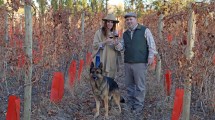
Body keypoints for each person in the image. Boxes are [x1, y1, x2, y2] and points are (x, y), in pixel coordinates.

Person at [115, 12, 157, 113]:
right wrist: (116, 43)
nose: (129, 21)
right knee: (129, 85)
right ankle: (130, 103)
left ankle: (138, 106)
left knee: (139, 85)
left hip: (140, 62)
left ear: (136, 19)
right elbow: (122, 48)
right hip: (128, 62)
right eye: (127, 20)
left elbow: (151, 44)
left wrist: (151, 56)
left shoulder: (144, 30)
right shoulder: (125, 33)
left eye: (131, 19)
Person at [92, 14, 120, 79]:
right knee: (100, 79)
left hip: (111, 60)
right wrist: (105, 42)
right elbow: (95, 45)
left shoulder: (115, 33)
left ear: (114, 24)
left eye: (112, 22)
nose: (110, 24)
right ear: (105, 23)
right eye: (108, 22)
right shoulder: (99, 32)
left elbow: (118, 49)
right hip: (101, 59)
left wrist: (117, 44)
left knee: (110, 80)